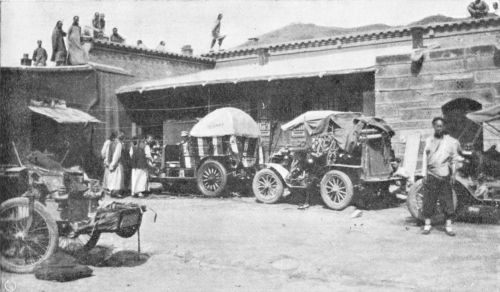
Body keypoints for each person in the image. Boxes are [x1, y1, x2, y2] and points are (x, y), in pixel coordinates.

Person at [421, 117, 462, 236]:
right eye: (437, 126)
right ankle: (427, 225)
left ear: (444, 127)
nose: (439, 128)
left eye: (441, 126)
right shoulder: (429, 141)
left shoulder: (451, 142)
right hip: (431, 175)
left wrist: (453, 174)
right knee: (429, 201)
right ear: (433, 127)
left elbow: (454, 159)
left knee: (447, 202)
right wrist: (424, 174)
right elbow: (425, 157)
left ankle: (448, 227)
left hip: (444, 176)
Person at [106, 131, 125, 198]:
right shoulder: (119, 144)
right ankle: (115, 192)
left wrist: (108, 162)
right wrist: (113, 163)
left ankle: (111, 191)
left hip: (111, 162)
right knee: (117, 178)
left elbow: (108, 153)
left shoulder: (111, 143)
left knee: (112, 177)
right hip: (117, 163)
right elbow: (117, 155)